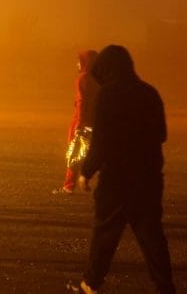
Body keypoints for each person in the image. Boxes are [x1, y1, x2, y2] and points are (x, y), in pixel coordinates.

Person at [72, 45, 175, 294]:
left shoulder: (109, 95)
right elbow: (162, 133)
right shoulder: (150, 93)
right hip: (148, 177)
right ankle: (165, 287)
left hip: (117, 179)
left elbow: (102, 141)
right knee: (152, 238)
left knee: (105, 233)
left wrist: (87, 171)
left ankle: (91, 282)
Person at [53, 50, 99, 194]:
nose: (77, 64)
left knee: (74, 153)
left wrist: (79, 124)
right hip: (97, 121)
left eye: (79, 61)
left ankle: (69, 186)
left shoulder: (83, 78)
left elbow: (82, 102)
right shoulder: (100, 78)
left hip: (82, 120)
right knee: (97, 152)